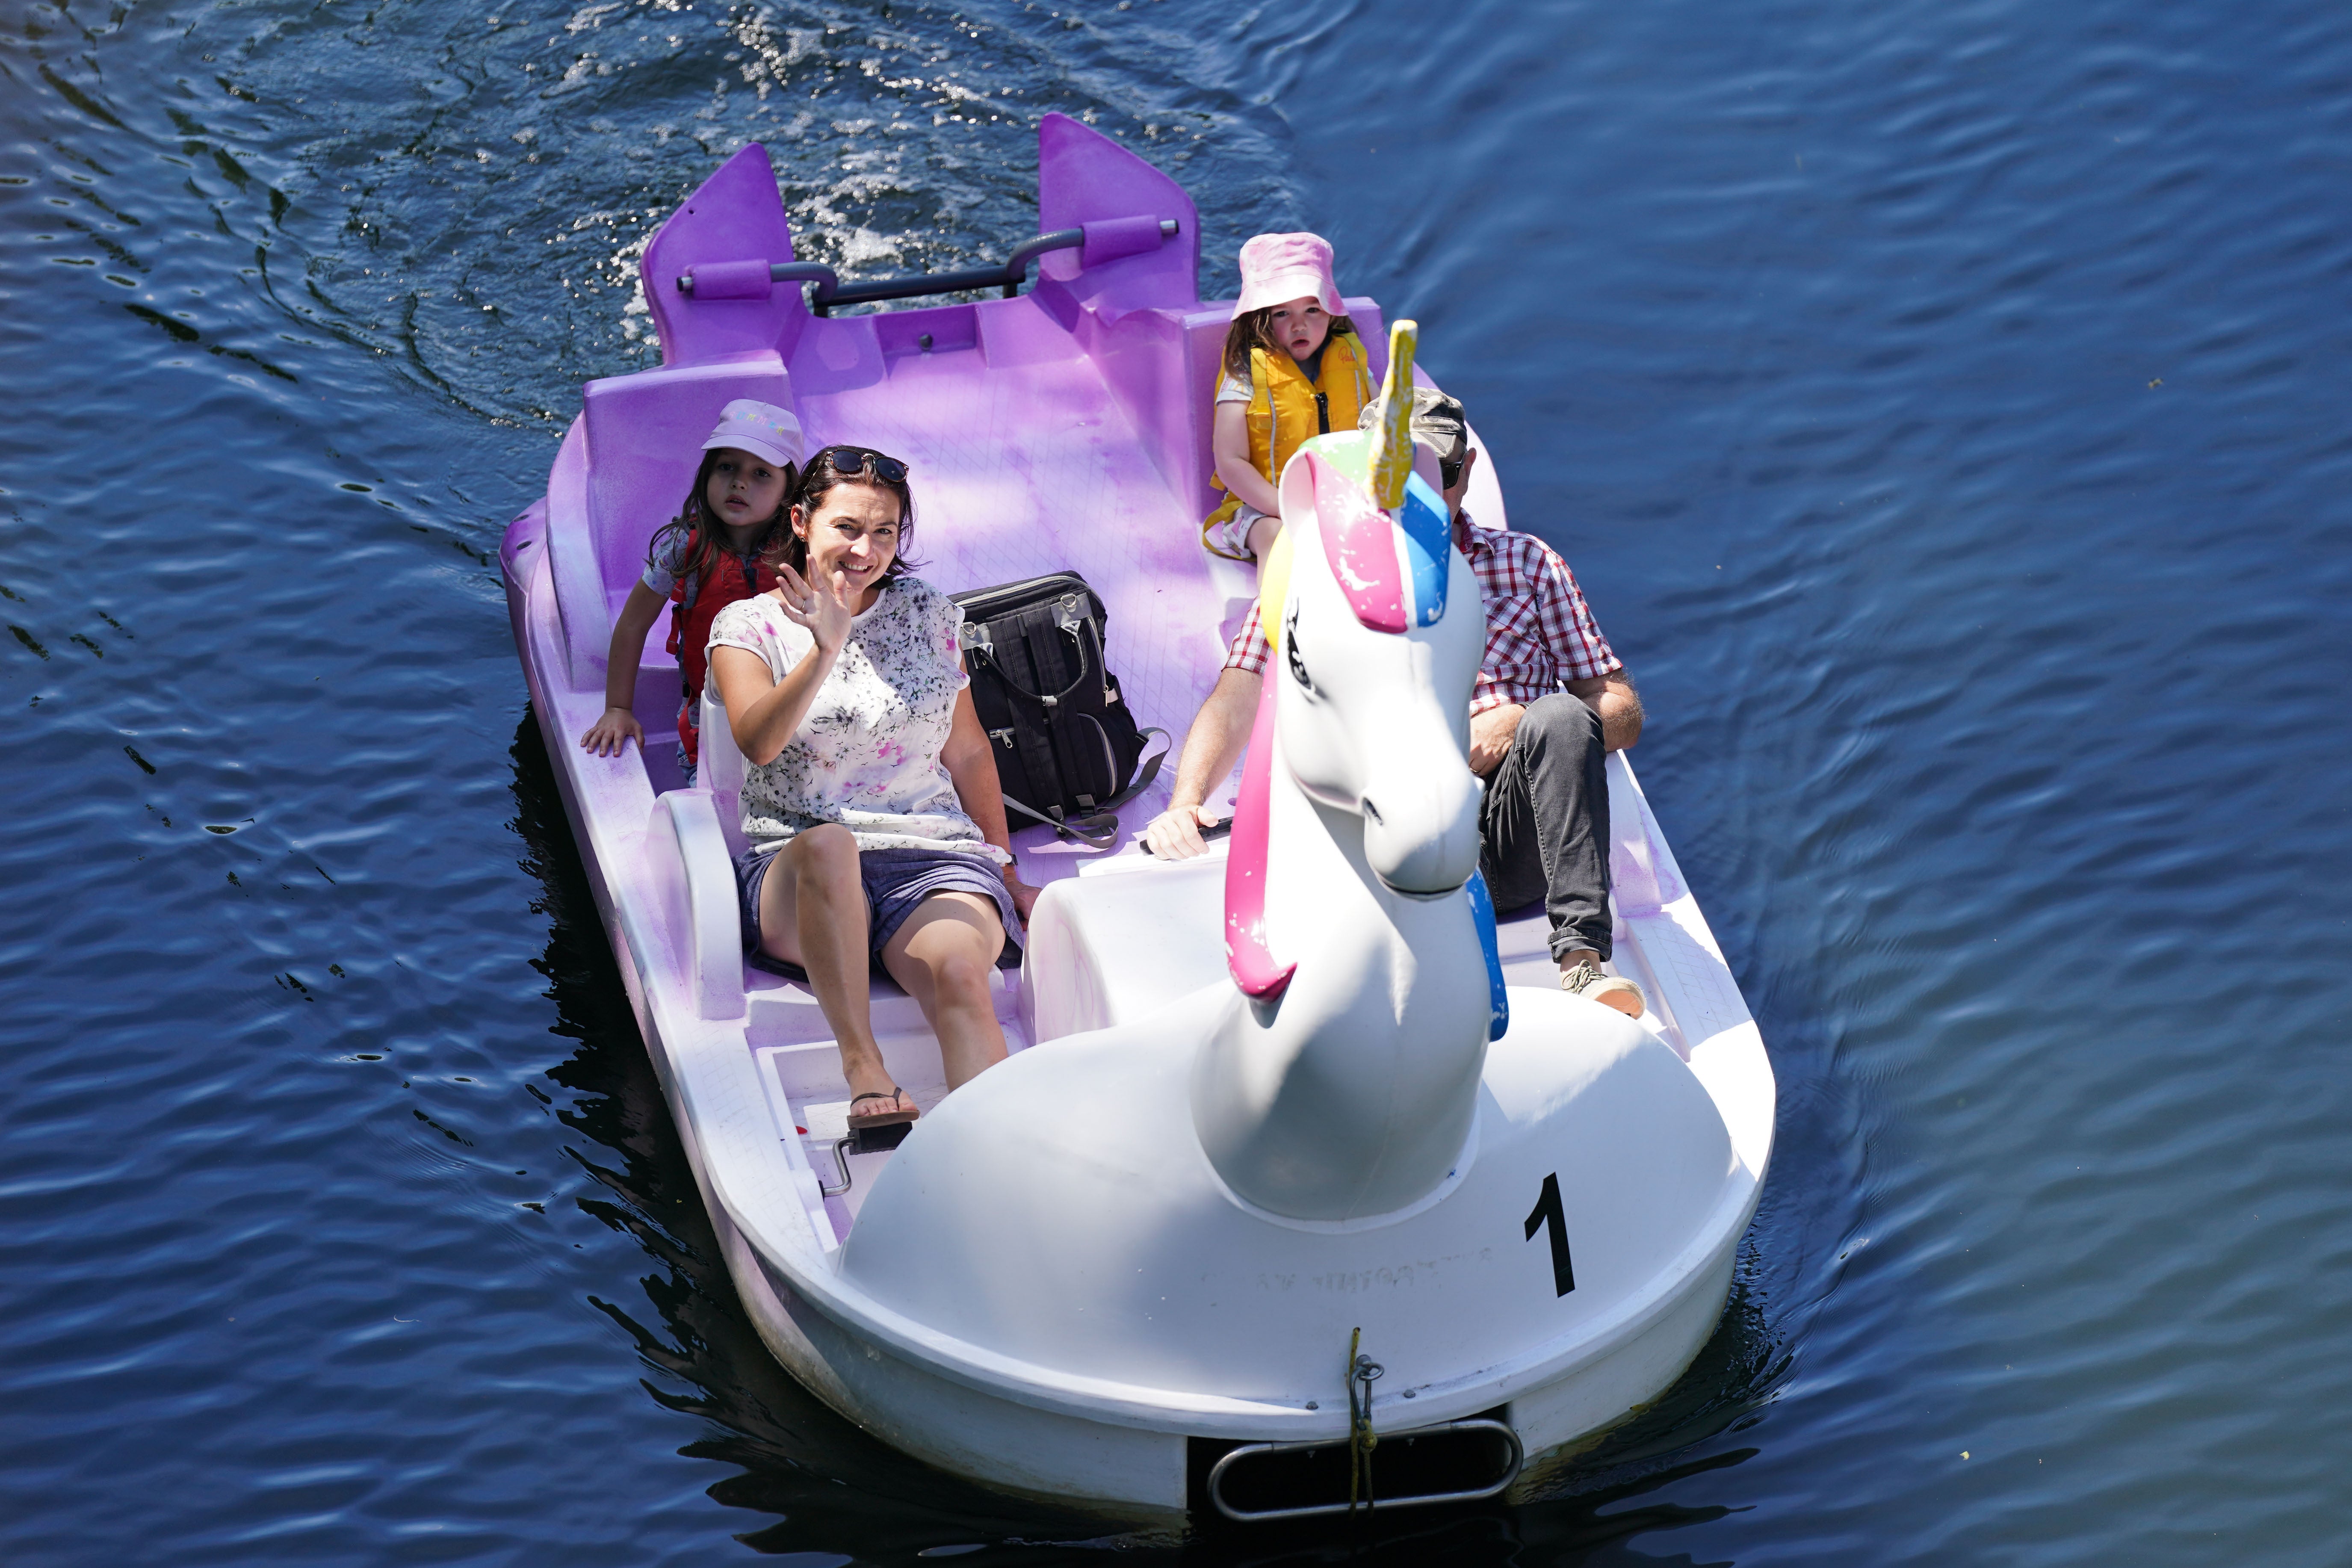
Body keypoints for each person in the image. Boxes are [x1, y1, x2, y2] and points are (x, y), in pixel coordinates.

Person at [1149, 390, 1650, 1018]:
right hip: (1382, 824)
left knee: (1559, 714)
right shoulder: (1313, 573)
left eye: (1434, 472)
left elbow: (1622, 708)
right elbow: (1241, 690)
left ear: (1465, 472)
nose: (1416, 488)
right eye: (1397, 472)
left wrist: (1518, 719)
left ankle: (1582, 963)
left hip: (1508, 828)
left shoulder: (1528, 564)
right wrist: (1185, 802)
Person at [708, 446, 1041, 1128]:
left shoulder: (927, 612)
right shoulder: (746, 626)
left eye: (885, 532)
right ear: (802, 522)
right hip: (800, 866)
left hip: (928, 857)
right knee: (830, 844)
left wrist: (1005, 867)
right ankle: (864, 1067)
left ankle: (1005, 1151)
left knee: (958, 976)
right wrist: (825, 647)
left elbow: (969, 748)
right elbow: (759, 742)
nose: (867, 549)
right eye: (848, 528)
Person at [579, 399, 805, 780]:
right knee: (714, 782)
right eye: (727, 466)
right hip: (709, 711)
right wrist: (618, 708)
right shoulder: (685, 546)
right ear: (706, 475)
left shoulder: (801, 549)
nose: (740, 482)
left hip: (788, 704)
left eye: (761, 473)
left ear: (789, 493)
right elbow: (634, 624)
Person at [1200, 231, 1374, 566]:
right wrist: (1287, 508)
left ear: (1331, 312)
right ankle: (1269, 616)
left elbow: (1379, 422)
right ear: (1260, 318)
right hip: (1261, 508)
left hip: (1343, 500)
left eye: (1312, 309)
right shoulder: (1245, 372)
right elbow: (1230, 461)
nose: (1300, 325)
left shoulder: (1349, 359)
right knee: (1279, 539)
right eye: (1283, 314)